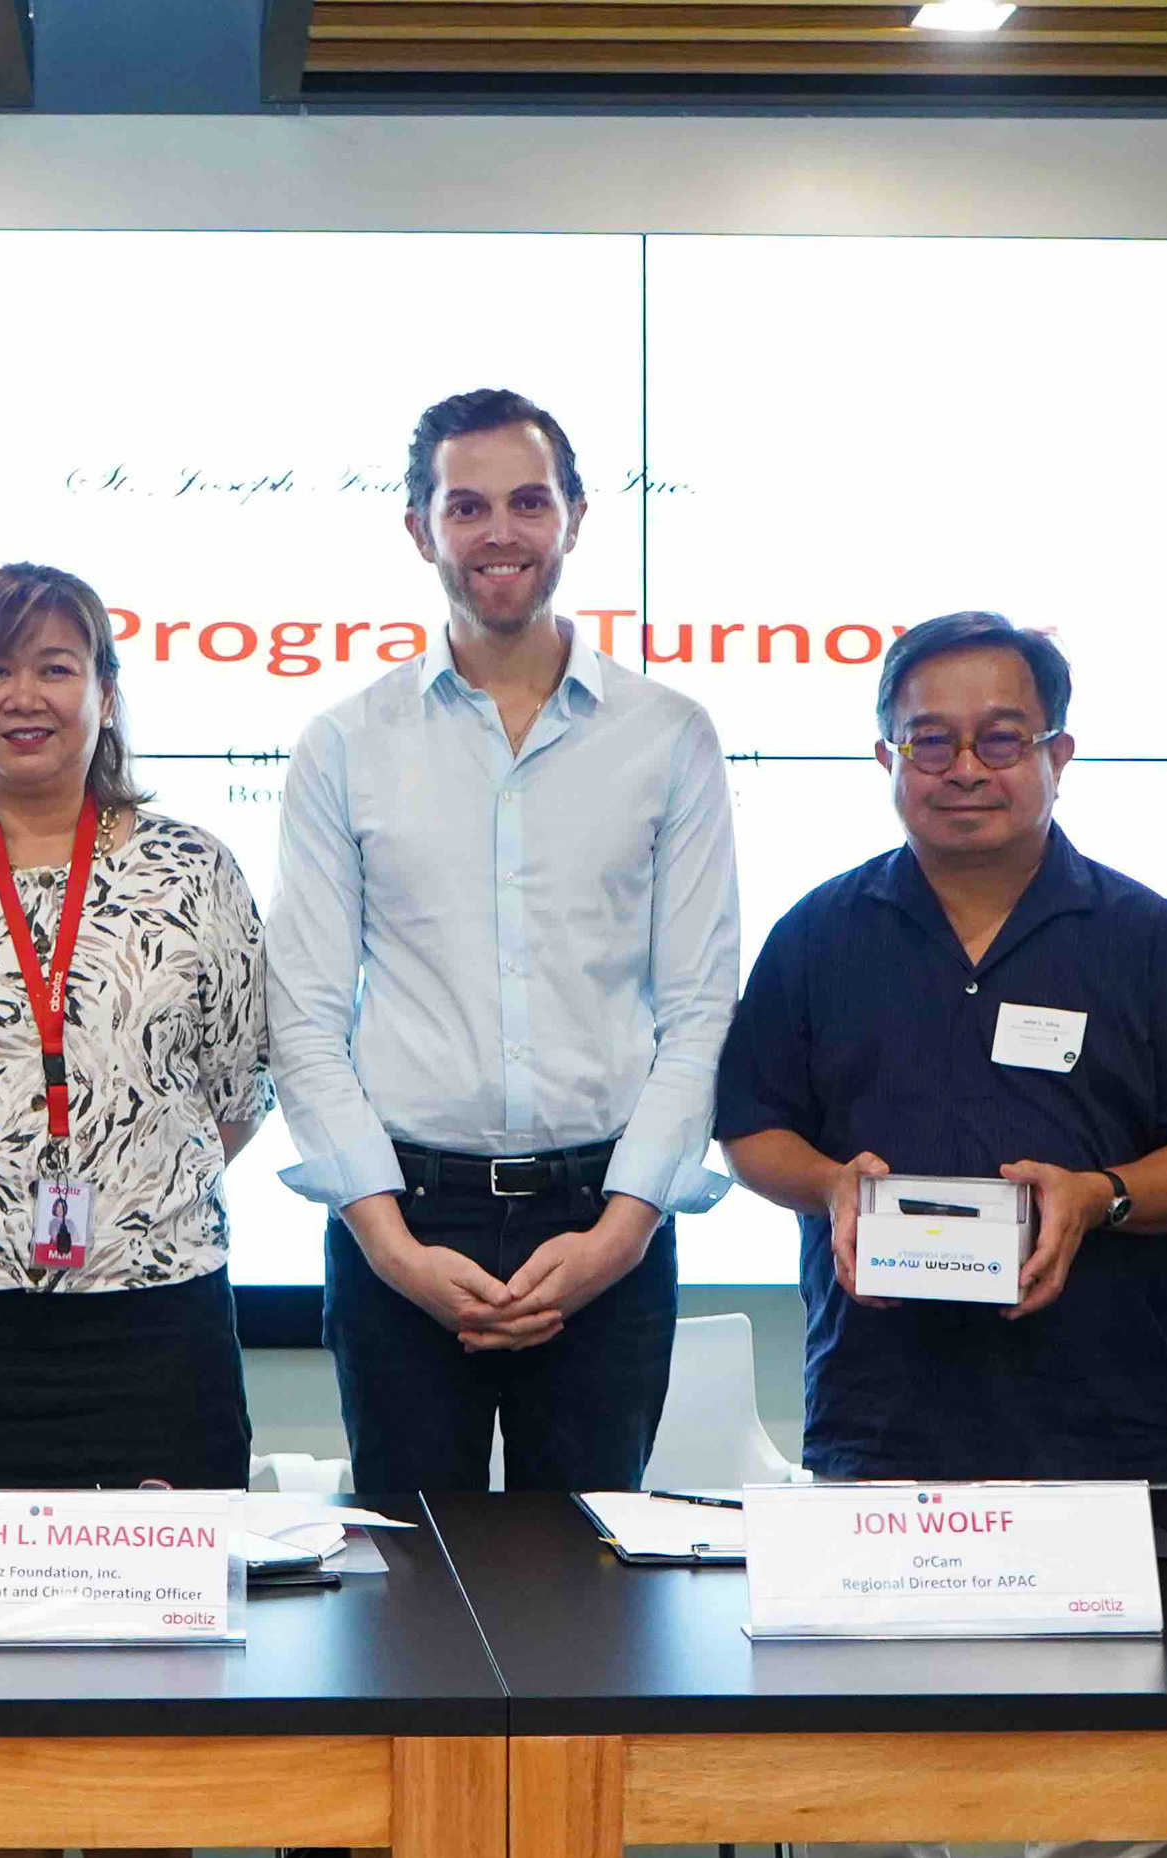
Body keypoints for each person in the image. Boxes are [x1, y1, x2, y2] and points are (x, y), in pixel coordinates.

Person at [270, 386, 741, 1493]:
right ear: (418, 528)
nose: (499, 532)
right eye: (466, 506)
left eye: (529, 502)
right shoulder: (344, 745)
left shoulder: (669, 737)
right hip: (402, 1223)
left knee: (591, 1579)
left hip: (603, 1222)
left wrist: (620, 1235)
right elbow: (304, 1017)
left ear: (575, 517)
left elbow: (698, 1009)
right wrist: (390, 1247)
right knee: (407, 1576)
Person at [721, 614, 1167, 1482]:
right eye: (931, 742)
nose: (965, 769)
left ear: (1058, 756)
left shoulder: (1149, 938)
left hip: (1101, 1414)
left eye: (1001, 740)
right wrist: (831, 1185)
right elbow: (750, 1129)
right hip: (877, 1411)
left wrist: (1096, 1197)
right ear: (887, 760)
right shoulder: (816, 933)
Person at [0, 565, 270, 1488]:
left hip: (155, 1320)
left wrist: (127, 1182)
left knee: (169, 1582)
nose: (24, 696)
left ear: (106, 693)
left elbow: (238, 1087)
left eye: (55, 668)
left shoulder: (196, 871)